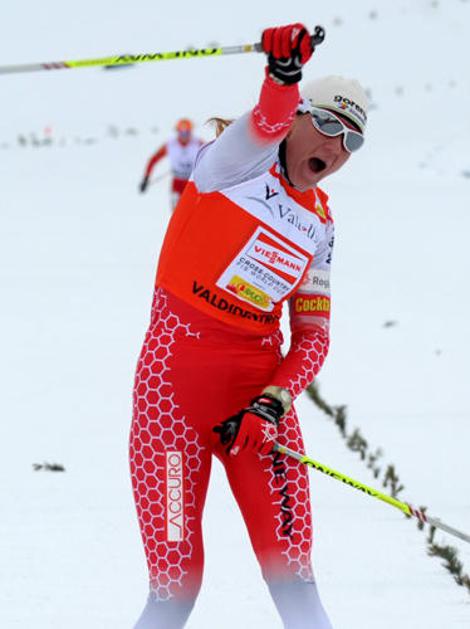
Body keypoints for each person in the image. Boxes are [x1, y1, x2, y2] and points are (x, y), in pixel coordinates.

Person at [130, 22, 368, 629]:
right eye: (330, 125)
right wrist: (283, 76)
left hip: (258, 414)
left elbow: (313, 336)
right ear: (300, 118)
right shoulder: (233, 166)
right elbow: (266, 118)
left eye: (353, 140)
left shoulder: (320, 225)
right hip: (173, 406)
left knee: (295, 579)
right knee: (176, 585)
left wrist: (272, 403)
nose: (338, 147)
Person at [139, 118, 203, 211]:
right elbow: (153, 159)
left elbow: (210, 158)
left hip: (192, 183)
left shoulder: (198, 143)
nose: (184, 136)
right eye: (182, 133)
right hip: (177, 183)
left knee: (193, 211)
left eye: (187, 133)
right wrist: (146, 178)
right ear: (178, 132)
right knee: (177, 213)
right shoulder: (170, 145)